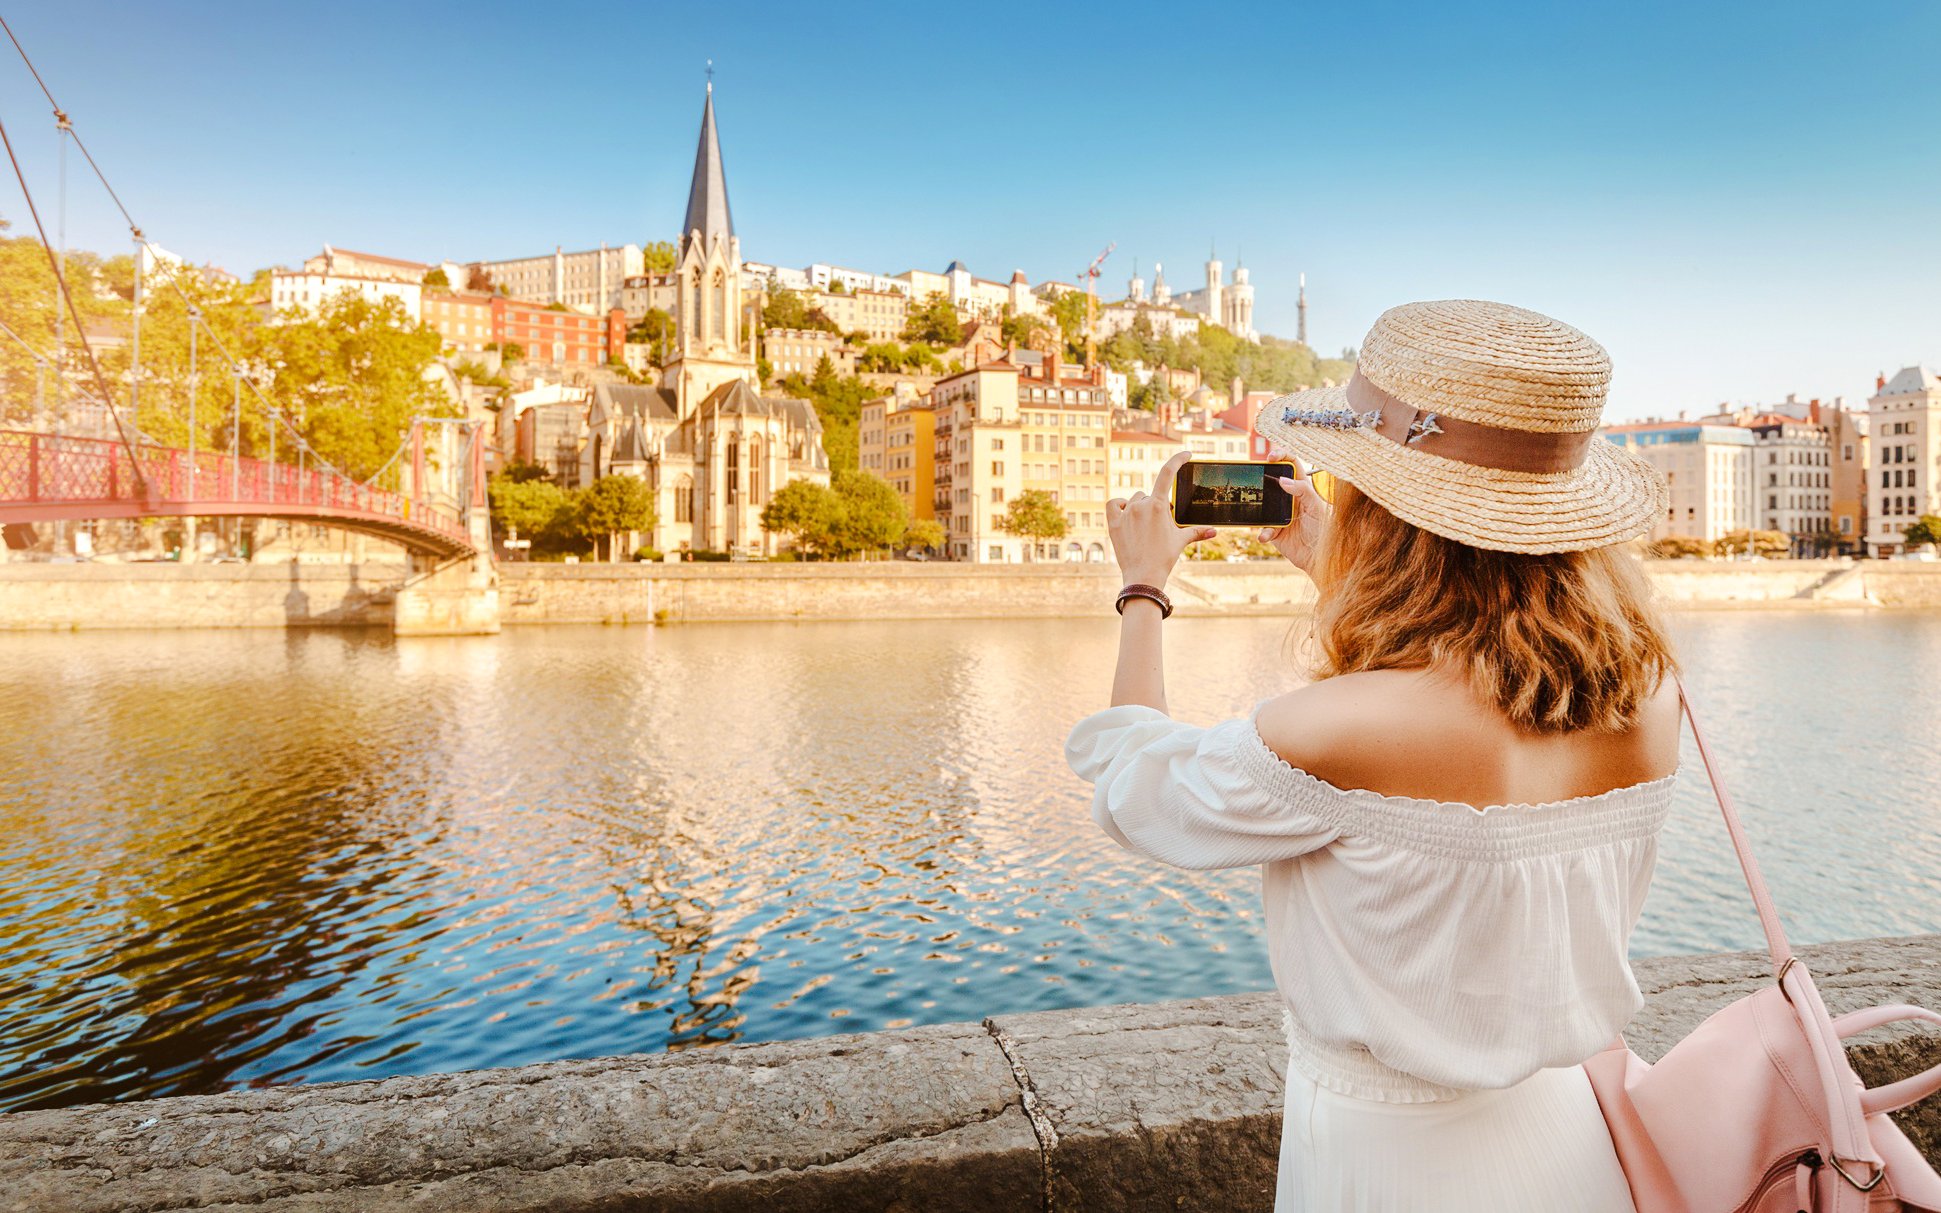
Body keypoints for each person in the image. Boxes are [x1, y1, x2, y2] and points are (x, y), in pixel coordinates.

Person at [1068, 300, 1678, 1211]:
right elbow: (1473, 668)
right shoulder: (1649, 696)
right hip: (1566, 1144)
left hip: (1385, 1161)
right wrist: (1331, 559)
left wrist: (1144, 588)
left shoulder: (1337, 727)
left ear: (1386, 513)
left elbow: (1132, 784)